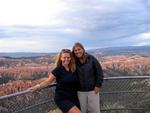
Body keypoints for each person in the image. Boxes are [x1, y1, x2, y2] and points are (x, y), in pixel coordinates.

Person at [28, 49, 81, 113]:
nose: (66, 59)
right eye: (64, 57)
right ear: (61, 58)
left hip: (73, 97)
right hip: (62, 98)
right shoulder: (58, 70)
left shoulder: (73, 69)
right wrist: (37, 87)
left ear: (70, 58)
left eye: (68, 57)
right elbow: (48, 81)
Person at [72, 42, 104, 113]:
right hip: (79, 91)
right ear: (73, 52)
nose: (77, 51)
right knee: (81, 110)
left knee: (95, 110)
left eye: (79, 49)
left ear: (83, 49)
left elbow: (99, 72)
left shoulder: (91, 59)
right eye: (75, 50)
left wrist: (98, 85)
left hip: (92, 90)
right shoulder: (73, 62)